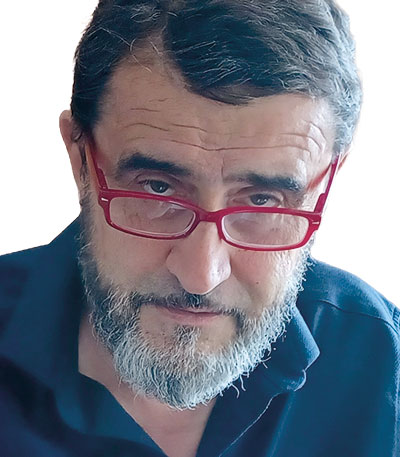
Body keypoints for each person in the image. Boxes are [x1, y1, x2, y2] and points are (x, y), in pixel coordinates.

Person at [0, 0, 398, 456]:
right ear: (79, 161)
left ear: (326, 183)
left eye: (262, 200)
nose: (201, 274)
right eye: (157, 189)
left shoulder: (386, 367)